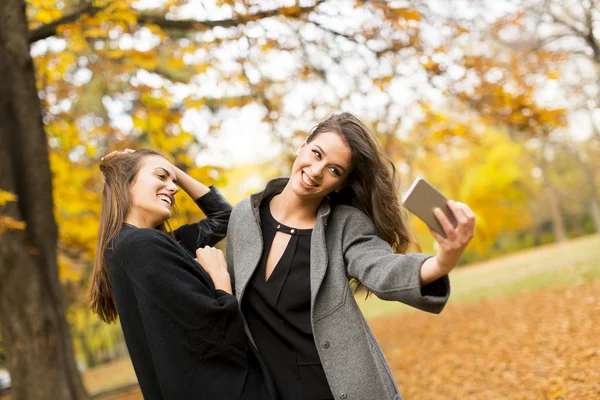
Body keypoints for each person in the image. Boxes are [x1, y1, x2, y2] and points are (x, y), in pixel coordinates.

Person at [226, 112, 476, 400]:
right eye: (316, 153)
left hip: (338, 389)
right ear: (302, 146)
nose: (317, 170)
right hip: (269, 389)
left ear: (341, 184)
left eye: (334, 170)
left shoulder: (345, 225)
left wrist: (443, 260)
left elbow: (382, 269)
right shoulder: (244, 217)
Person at [89, 148, 277, 400]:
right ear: (126, 180)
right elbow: (213, 331)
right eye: (160, 177)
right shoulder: (143, 247)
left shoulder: (144, 244)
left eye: (173, 181)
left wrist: (169, 168)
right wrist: (220, 277)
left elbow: (225, 218)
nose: (174, 187)